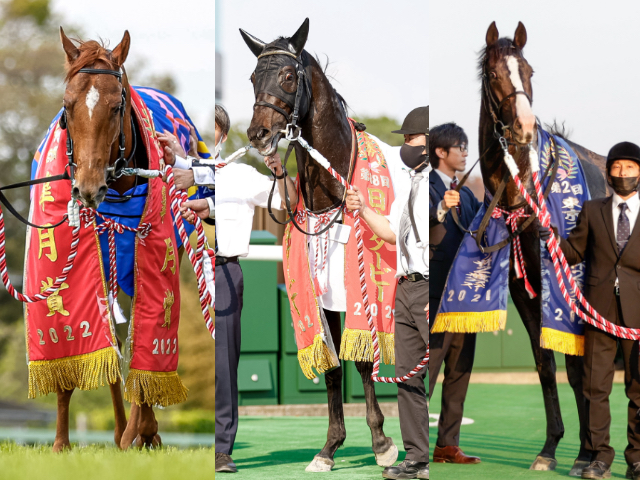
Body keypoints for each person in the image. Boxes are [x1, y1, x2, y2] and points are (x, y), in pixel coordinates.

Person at [160, 104, 297, 474]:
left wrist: (281, 172)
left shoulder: (241, 175)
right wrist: (176, 159)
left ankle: (221, 448)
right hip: (183, 273)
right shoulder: (179, 171)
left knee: (223, 366)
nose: (198, 140)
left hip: (223, 272)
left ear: (221, 135)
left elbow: (286, 201)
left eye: (207, 131)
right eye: (191, 134)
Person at [345, 106, 429, 480]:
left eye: (414, 140)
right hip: (405, 286)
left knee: (433, 370)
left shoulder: (440, 187)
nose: (408, 146)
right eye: (407, 140)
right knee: (409, 377)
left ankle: (442, 449)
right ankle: (416, 459)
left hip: (430, 286)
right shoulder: (407, 184)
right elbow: (392, 234)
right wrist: (362, 209)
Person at [553, 142, 640, 480]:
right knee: (594, 387)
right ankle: (599, 456)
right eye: (617, 168)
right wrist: (552, 239)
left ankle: (637, 458)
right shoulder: (592, 210)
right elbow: (573, 252)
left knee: (638, 389)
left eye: (629, 168)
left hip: (638, 316)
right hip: (598, 313)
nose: (623, 174)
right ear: (609, 173)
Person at [428, 122, 482, 465]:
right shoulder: (424, 186)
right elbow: (419, 234)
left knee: (460, 371)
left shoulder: (469, 194)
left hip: (465, 300)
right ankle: (416, 445)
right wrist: (441, 211)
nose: (465, 153)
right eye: (459, 147)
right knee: (427, 372)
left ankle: (447, 444)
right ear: (440, 152)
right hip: (434, 296)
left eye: (465, 147)